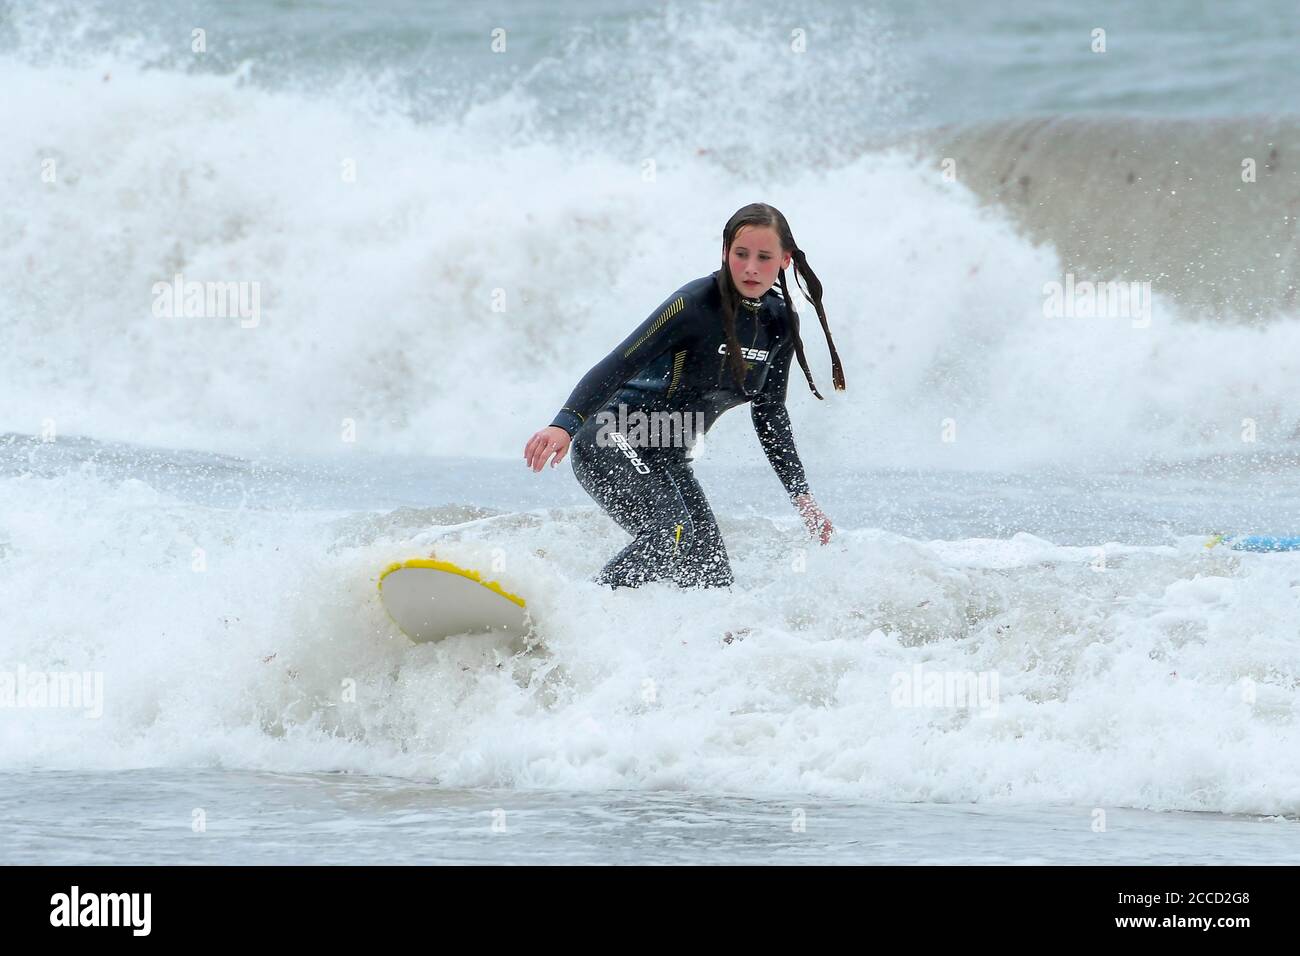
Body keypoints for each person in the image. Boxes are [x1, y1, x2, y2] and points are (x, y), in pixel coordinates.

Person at [523, 202, 845, 589]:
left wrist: (801, 497)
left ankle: (695, 643)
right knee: (670, 534)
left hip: (668, 456)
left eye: (764, 257)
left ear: (785, 261)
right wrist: (564, 425)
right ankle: (575, 612)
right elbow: (619, 363)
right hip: (612, 436)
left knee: (712, 579)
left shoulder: (780, 322)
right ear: (725, 253)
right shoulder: (693, 304)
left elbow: (770, 412)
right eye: (740, 255)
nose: (751, 268)